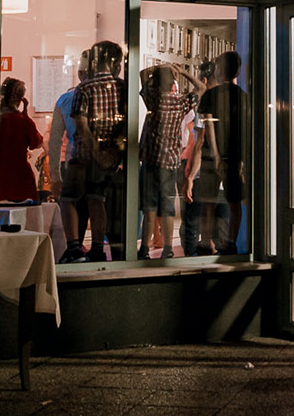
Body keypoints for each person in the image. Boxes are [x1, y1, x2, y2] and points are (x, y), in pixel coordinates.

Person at [70, 41, 126, 261]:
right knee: (104, 205)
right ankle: (103, 249)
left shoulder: (84, 88)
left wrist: (97, 153)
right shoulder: (123, 87)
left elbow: (82, 126)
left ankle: (77, 248)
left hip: (86, 157)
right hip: (114, 160)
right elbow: (126, 124)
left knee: (74, 200)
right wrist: (113, 152)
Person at [138, 64, 193, 257]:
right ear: (172, 84)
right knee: (168, 207)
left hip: (151, 161)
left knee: (149, 208)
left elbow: (142, 74)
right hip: (171, 162)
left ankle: (145, 248)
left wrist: (160, 67)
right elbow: (201, 89)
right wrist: (183, 72)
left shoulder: (153, 101)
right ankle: (168, 248)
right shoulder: (181, 103)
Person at [199, 51, 248, 254]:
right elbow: (246, 130)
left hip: (212, 156)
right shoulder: (243, 97)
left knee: (209, 202)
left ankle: (207, 242)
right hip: (235, 156)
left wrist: (216, 155)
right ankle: (230, 242)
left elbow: (209, 127)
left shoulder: (211, 95)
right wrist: (243, 159)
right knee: (234, 203)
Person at [49, 53, 92, 256]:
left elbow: (55, 139)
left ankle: (74, 245)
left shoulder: (65, 99)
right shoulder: (102, 96)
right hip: (92, 161)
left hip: (72, 159)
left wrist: (55, 174)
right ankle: (82, 245)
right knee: (90, 205)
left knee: (73, 204)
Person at [0, 77, 44, 203]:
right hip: (19, 174)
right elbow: (36, 143)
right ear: (21, 99)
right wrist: (25, 114)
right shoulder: (23, 121)